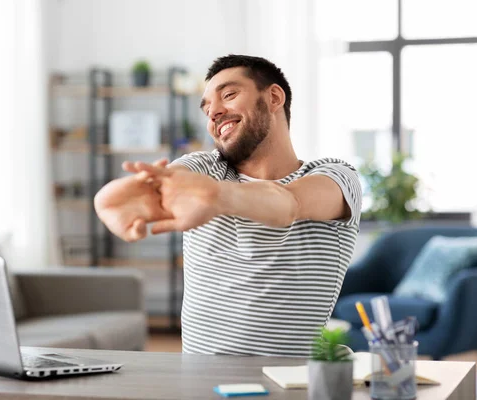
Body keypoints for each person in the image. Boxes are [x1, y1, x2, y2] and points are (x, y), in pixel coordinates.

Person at [94, 54, 362, 357]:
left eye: (229, 95)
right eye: (207, 108)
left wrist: (216, 197)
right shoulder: (204, 168)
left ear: (273, 97)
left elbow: (289, 204)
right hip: (202, 382)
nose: (214, 113)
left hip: (293, 381)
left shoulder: (336, 176)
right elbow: (170, 183)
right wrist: (121, 198)